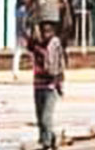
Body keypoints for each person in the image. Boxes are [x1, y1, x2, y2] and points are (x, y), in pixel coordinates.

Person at [29, 19, 66, 150]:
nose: (46, 34)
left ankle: (47, 143)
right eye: (44, 31)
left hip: (50, 86)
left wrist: (60, 84)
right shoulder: (35, 45)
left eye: (48, 31)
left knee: (46, 117)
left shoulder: (55, 44)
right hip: (38, 84)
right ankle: (52, 137)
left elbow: (60, 64)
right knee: (40, 119)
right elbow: (28, 37)